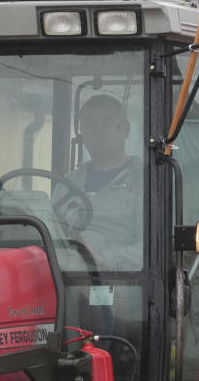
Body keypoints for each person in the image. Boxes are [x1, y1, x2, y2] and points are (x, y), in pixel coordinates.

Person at [55, 94, 144, 271]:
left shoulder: (147, 181)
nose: (98, 132)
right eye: (89, 124)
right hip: (65, 278)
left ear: (126, 130)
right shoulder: (67, 183)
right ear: (81, 132)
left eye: (107, 123)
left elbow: (154, 247)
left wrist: (103, 258)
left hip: (124, 283)